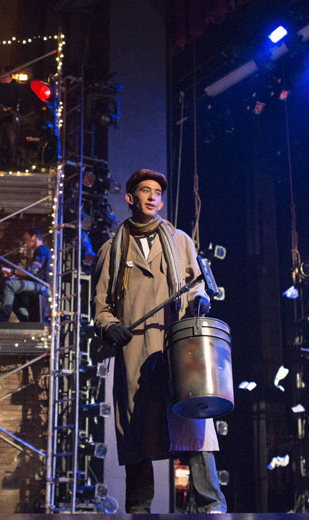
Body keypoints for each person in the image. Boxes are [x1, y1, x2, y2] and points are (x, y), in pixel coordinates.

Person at [92, 169, 226, 513]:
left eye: (157, 192)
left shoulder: (180, 240)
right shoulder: (113, 248)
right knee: (138, 428)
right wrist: (109, 326)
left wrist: (199, 300)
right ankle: (139, 507)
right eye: (145, 191)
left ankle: (210, 502)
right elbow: (101, 304)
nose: (152, 197)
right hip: (134, 348)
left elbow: (195, 283)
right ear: (130, 198)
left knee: (194, 418)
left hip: (176, 344)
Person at [0, 227, 51, 322]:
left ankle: (2, 320)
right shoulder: (41, 250)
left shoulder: (41, 250)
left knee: (10, 285)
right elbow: (33, 274)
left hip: (42, 286)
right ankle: (26, 320)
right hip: (39, 284)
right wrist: (16, 275)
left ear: (34, 237)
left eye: (26, 239)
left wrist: (13, 271)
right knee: (14, 295)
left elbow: (33, 270)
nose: (26, 242)